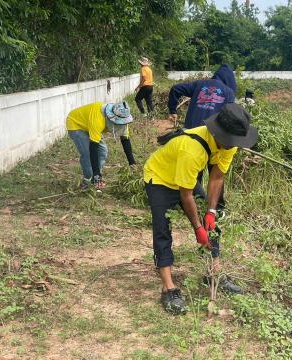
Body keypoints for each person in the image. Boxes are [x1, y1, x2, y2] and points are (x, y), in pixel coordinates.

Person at [143, 103, 258, 315]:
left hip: (184, 178)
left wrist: (211, 213)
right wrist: (197, 228)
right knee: (162, 230)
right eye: (231, 141)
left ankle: (213, 273)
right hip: (160, 177)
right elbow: (185, 195)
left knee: (212, 226)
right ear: (220, 134)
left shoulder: (229, 143)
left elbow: (217, 177)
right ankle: (168, 288)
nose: (234, 144)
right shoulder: (192, 149)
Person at [168, 64, 238, 210]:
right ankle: (217, 207)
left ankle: (189, 202)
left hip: (192, 136)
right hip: (215, 138)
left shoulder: (200, 84)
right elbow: (231, 115)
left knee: (192, 171)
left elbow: (176, 89)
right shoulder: (228, 92)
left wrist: (172, 110)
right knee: (217, 172)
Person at [66, 101, 136, 190]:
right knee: (87, 154)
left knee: (103, 152)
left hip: (89, 125)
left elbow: (125, 140)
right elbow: (93, 148)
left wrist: (132, 163)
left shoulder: (123, 118)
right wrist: (96, 174)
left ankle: (96, 178)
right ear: (111, 117)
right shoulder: (98, 119)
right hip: (76, 123)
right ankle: (87, 181)